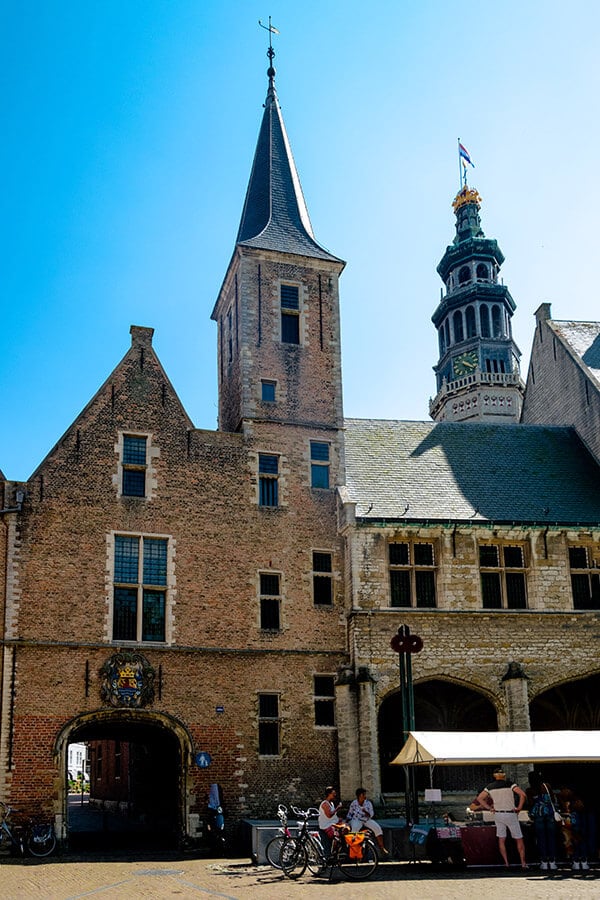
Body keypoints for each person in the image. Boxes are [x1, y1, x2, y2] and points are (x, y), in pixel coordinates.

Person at [472, 765, 528, 870]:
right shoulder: (510, 785)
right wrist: (519, 807)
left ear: (494, 776)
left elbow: (480, 798)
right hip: (510, 813)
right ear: (504, 775)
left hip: (498, 814)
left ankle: (506, 863)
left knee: (502, 839)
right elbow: (522, 794)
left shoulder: (489, 787)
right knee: (518, 839)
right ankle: (523, 863)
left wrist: (489, 808)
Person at [526, 771, 558, 871]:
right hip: (549, 814)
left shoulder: (530, 790)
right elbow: (553, 800)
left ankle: (544, 862)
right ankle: (552, 862)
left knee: (541, 839)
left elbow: (530, 803)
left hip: (538, 816)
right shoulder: (546, 786)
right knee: (551, 838)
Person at [346, 787, 389, 855]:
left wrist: (365, 812)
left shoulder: (368, 803)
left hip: (366, 820)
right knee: (354, 831)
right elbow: (350, 813)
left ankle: (382, 847)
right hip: (357, 820)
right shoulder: (354, 803)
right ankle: (355, 851)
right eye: (363, 795)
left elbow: (371, 814)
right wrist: (347, 822)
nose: (365, 796)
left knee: (377, 828)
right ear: (359, 796)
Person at [558, 786, 589, 871]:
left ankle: (576, 861)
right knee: (581, 842)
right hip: (580, 823)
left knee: (574, 843)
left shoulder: (568, 803)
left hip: (573, 824)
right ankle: (583, 861)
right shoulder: (579, 804)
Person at [318, 786, 344, 853]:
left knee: (346, 828)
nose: (335, 795)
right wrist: (337, 808)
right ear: (329, 794)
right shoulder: (325, 804)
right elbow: (329, 815)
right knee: (336, 835)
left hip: (333, 823)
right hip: (326, 825)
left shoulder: (331, 803)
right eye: (333, 793)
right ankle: (333, 852)